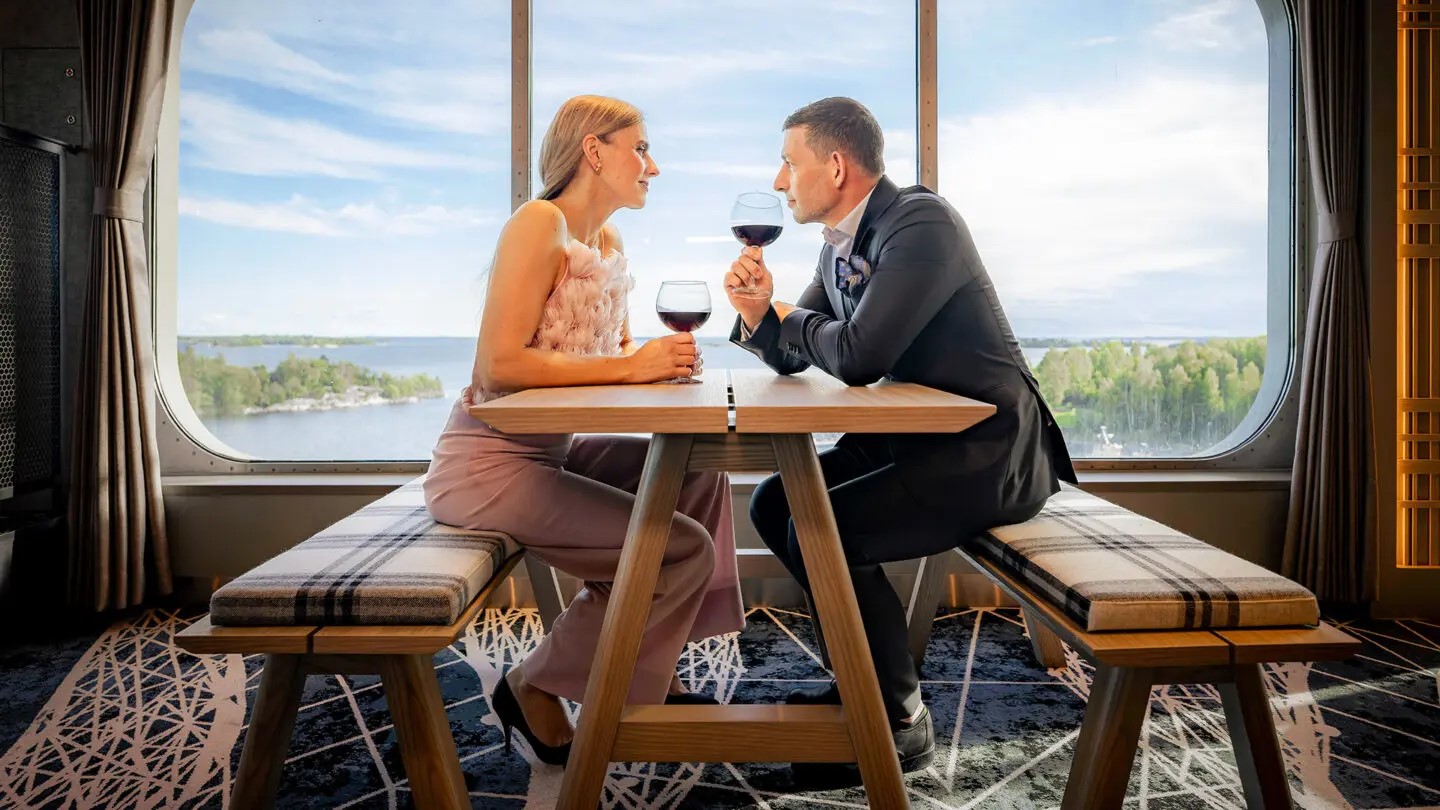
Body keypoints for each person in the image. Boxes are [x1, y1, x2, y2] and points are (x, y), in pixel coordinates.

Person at [726, 97, 1076, 782]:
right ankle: (863, 682)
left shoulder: (920, 222)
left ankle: (898, 721)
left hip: (988, 451)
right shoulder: (839, 247)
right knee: (775, 503)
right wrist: (758, 316)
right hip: (914, 443)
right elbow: (798, 353)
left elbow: (858, 357)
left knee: (827, 526)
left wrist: (784, 313)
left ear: (835, 166)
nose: (778, 180)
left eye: (788, 162)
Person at [425, 95, 744, 766]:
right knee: (678, 550)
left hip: (553, 452)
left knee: (699, 471)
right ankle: (532, 684)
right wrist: (632, 368)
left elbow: (611, 358)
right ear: (594, 151)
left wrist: (655, 367)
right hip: (485, 465)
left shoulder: (609, 242)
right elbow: (498, 365)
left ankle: (653, 665)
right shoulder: (537, 222)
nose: (653, 166)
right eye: (641, 148)